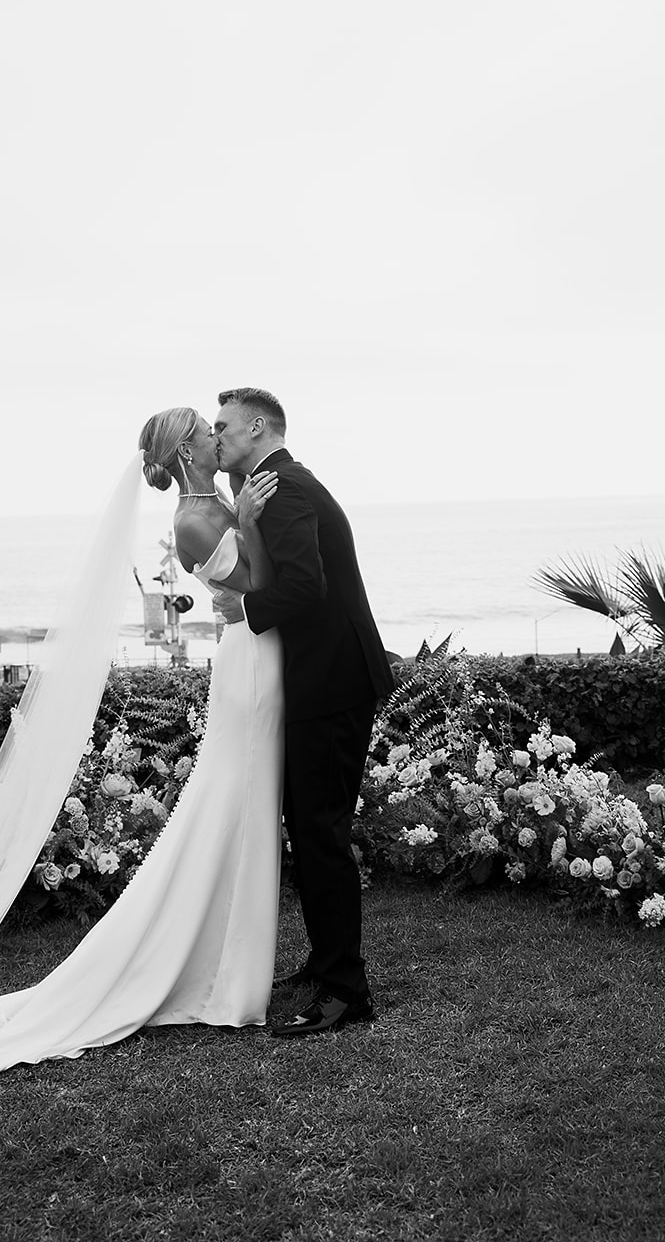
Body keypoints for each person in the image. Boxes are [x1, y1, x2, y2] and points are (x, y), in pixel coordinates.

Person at [0, 408, 283, 1077]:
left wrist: (243, 517)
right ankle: (220, 973)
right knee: (228, 809)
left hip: (256, 657)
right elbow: (254, 592)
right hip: (248, 666)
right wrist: (245, 521)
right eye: (208, 433)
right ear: (187, 451)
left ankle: (232, 966)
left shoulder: (215, 502)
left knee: (235, 812)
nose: (220, 437)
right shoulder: (194, 518)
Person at [210, 387, 393, 1036]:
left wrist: (244, 611)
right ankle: (323, 963)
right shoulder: (275, 485)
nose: (216, 436)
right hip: (322, 679)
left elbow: (303, 585)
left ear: (258, 427)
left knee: (320, 832)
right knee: (310, 826)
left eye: (223, 426)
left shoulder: (282, 487)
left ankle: (346, 992)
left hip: (331, 682)